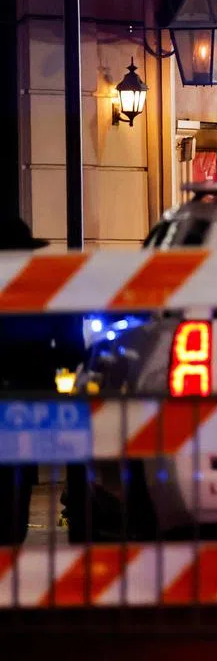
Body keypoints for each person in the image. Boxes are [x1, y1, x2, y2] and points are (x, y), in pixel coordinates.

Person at [0, 217, 87, 544]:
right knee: (17, 481)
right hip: (28, 391)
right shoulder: (43, 288)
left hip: (26, 388)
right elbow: (71, 346)